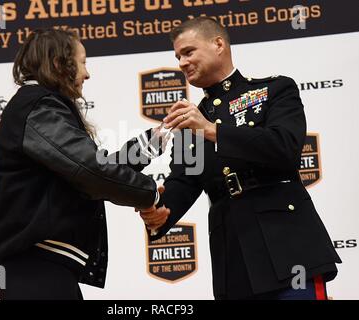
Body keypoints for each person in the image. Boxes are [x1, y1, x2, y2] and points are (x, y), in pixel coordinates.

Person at [139, 17, 341, 300]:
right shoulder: (190, 123)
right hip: (232, 261)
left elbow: (286, 148)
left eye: (188, 52)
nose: (182, 63)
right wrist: (158, 211)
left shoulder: (275, 89)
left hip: (288, 248)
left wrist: (212, 131)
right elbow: (182, 184)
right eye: (178, 57)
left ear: (218, 44)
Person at [0, 28, 169, 300]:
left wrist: (153, 142)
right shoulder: (38, 106)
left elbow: (84, 169)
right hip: (37, 271)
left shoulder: (38, 107)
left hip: (45, 270)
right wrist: (148, 194)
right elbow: (88, 170)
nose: (87, 73)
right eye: (83, 62)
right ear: (59, 64)